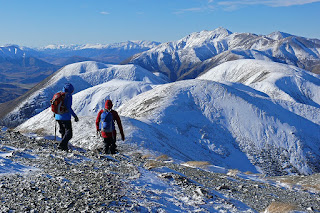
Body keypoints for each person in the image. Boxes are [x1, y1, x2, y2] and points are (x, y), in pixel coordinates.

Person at [55, 83, 79, 151]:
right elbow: (68, 107)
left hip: (58, 116)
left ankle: (64, 148)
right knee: (69, 134)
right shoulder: (68, 95)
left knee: (63, 132)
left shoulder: (59, 94)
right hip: (65, 117)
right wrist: (74, 116)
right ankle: (62, 145)